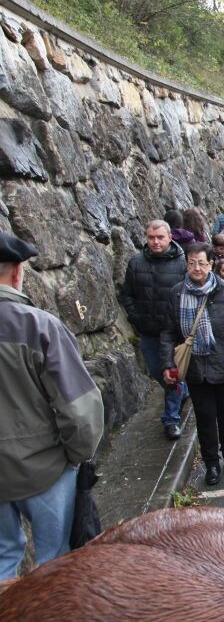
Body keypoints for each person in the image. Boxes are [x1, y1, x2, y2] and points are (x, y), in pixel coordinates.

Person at [0, 233, 104, 579]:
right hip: (44, 467)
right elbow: (78, 409)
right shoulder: (38, 326)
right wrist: (75, 457)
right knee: (56, 563)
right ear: (17, 272)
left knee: (3, 558)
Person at [161, 243, 224, 486]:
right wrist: (166, 364)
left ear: (211, 264)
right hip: (195, 367)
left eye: (202, 263)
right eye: (192, 263)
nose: (197, 268)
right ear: (186, 264)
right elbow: (168, 333)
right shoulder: (176, 293)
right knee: (205, 417)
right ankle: (212, 463)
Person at [121, 220, 189, 439]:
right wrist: (136, 318)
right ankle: (183, 390)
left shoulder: (183, 263)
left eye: (160, 237)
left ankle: (171, 419)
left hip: (174, 332)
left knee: (172, 374)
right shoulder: (136, 263)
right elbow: (127, 294)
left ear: (170, 237)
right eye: (151, 237)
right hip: (148, 330)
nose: (156, 242)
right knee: (156, 371)